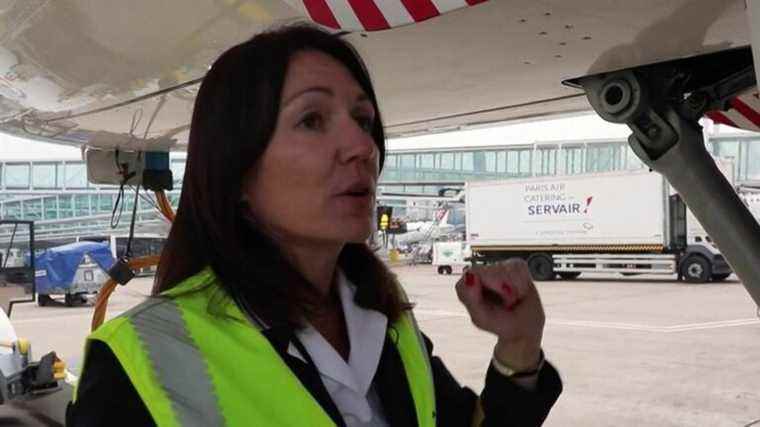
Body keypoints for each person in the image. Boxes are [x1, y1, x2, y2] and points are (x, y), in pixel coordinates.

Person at [67, 24, 562, 426]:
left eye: (363, 121)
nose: (362, 147)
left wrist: (519, 346)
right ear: (237, 170)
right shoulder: (143, 360)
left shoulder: (387, 325)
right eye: (311, 120)